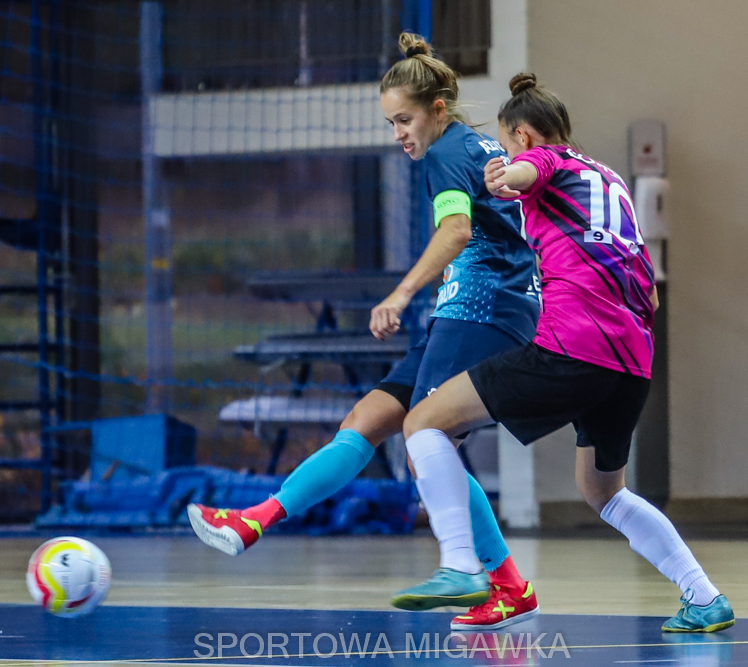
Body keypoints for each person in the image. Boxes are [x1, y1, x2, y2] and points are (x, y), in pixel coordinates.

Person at [188, 33, 542, 631]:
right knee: (367, 419)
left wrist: (400, 294)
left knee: (428, 439)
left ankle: (484, 575)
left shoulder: (446, 153)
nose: (398, 134)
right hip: (468, 310)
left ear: (436, 109)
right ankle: (256, 520)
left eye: (404, 120)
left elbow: (457, 231)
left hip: (486, 312)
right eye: (390, 123)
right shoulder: (469, 144)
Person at [390, 73, 735, 634]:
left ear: (523, 136)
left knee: (423, 421)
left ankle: (459, 565)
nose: (505, 155)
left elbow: (528, 170)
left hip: (573, 349)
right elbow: (649, 292)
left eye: (507, 145)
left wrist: (502, 176)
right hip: (632, 362)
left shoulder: (543, 160)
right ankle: (705, 597)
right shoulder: (611, 181)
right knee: (604, 492)